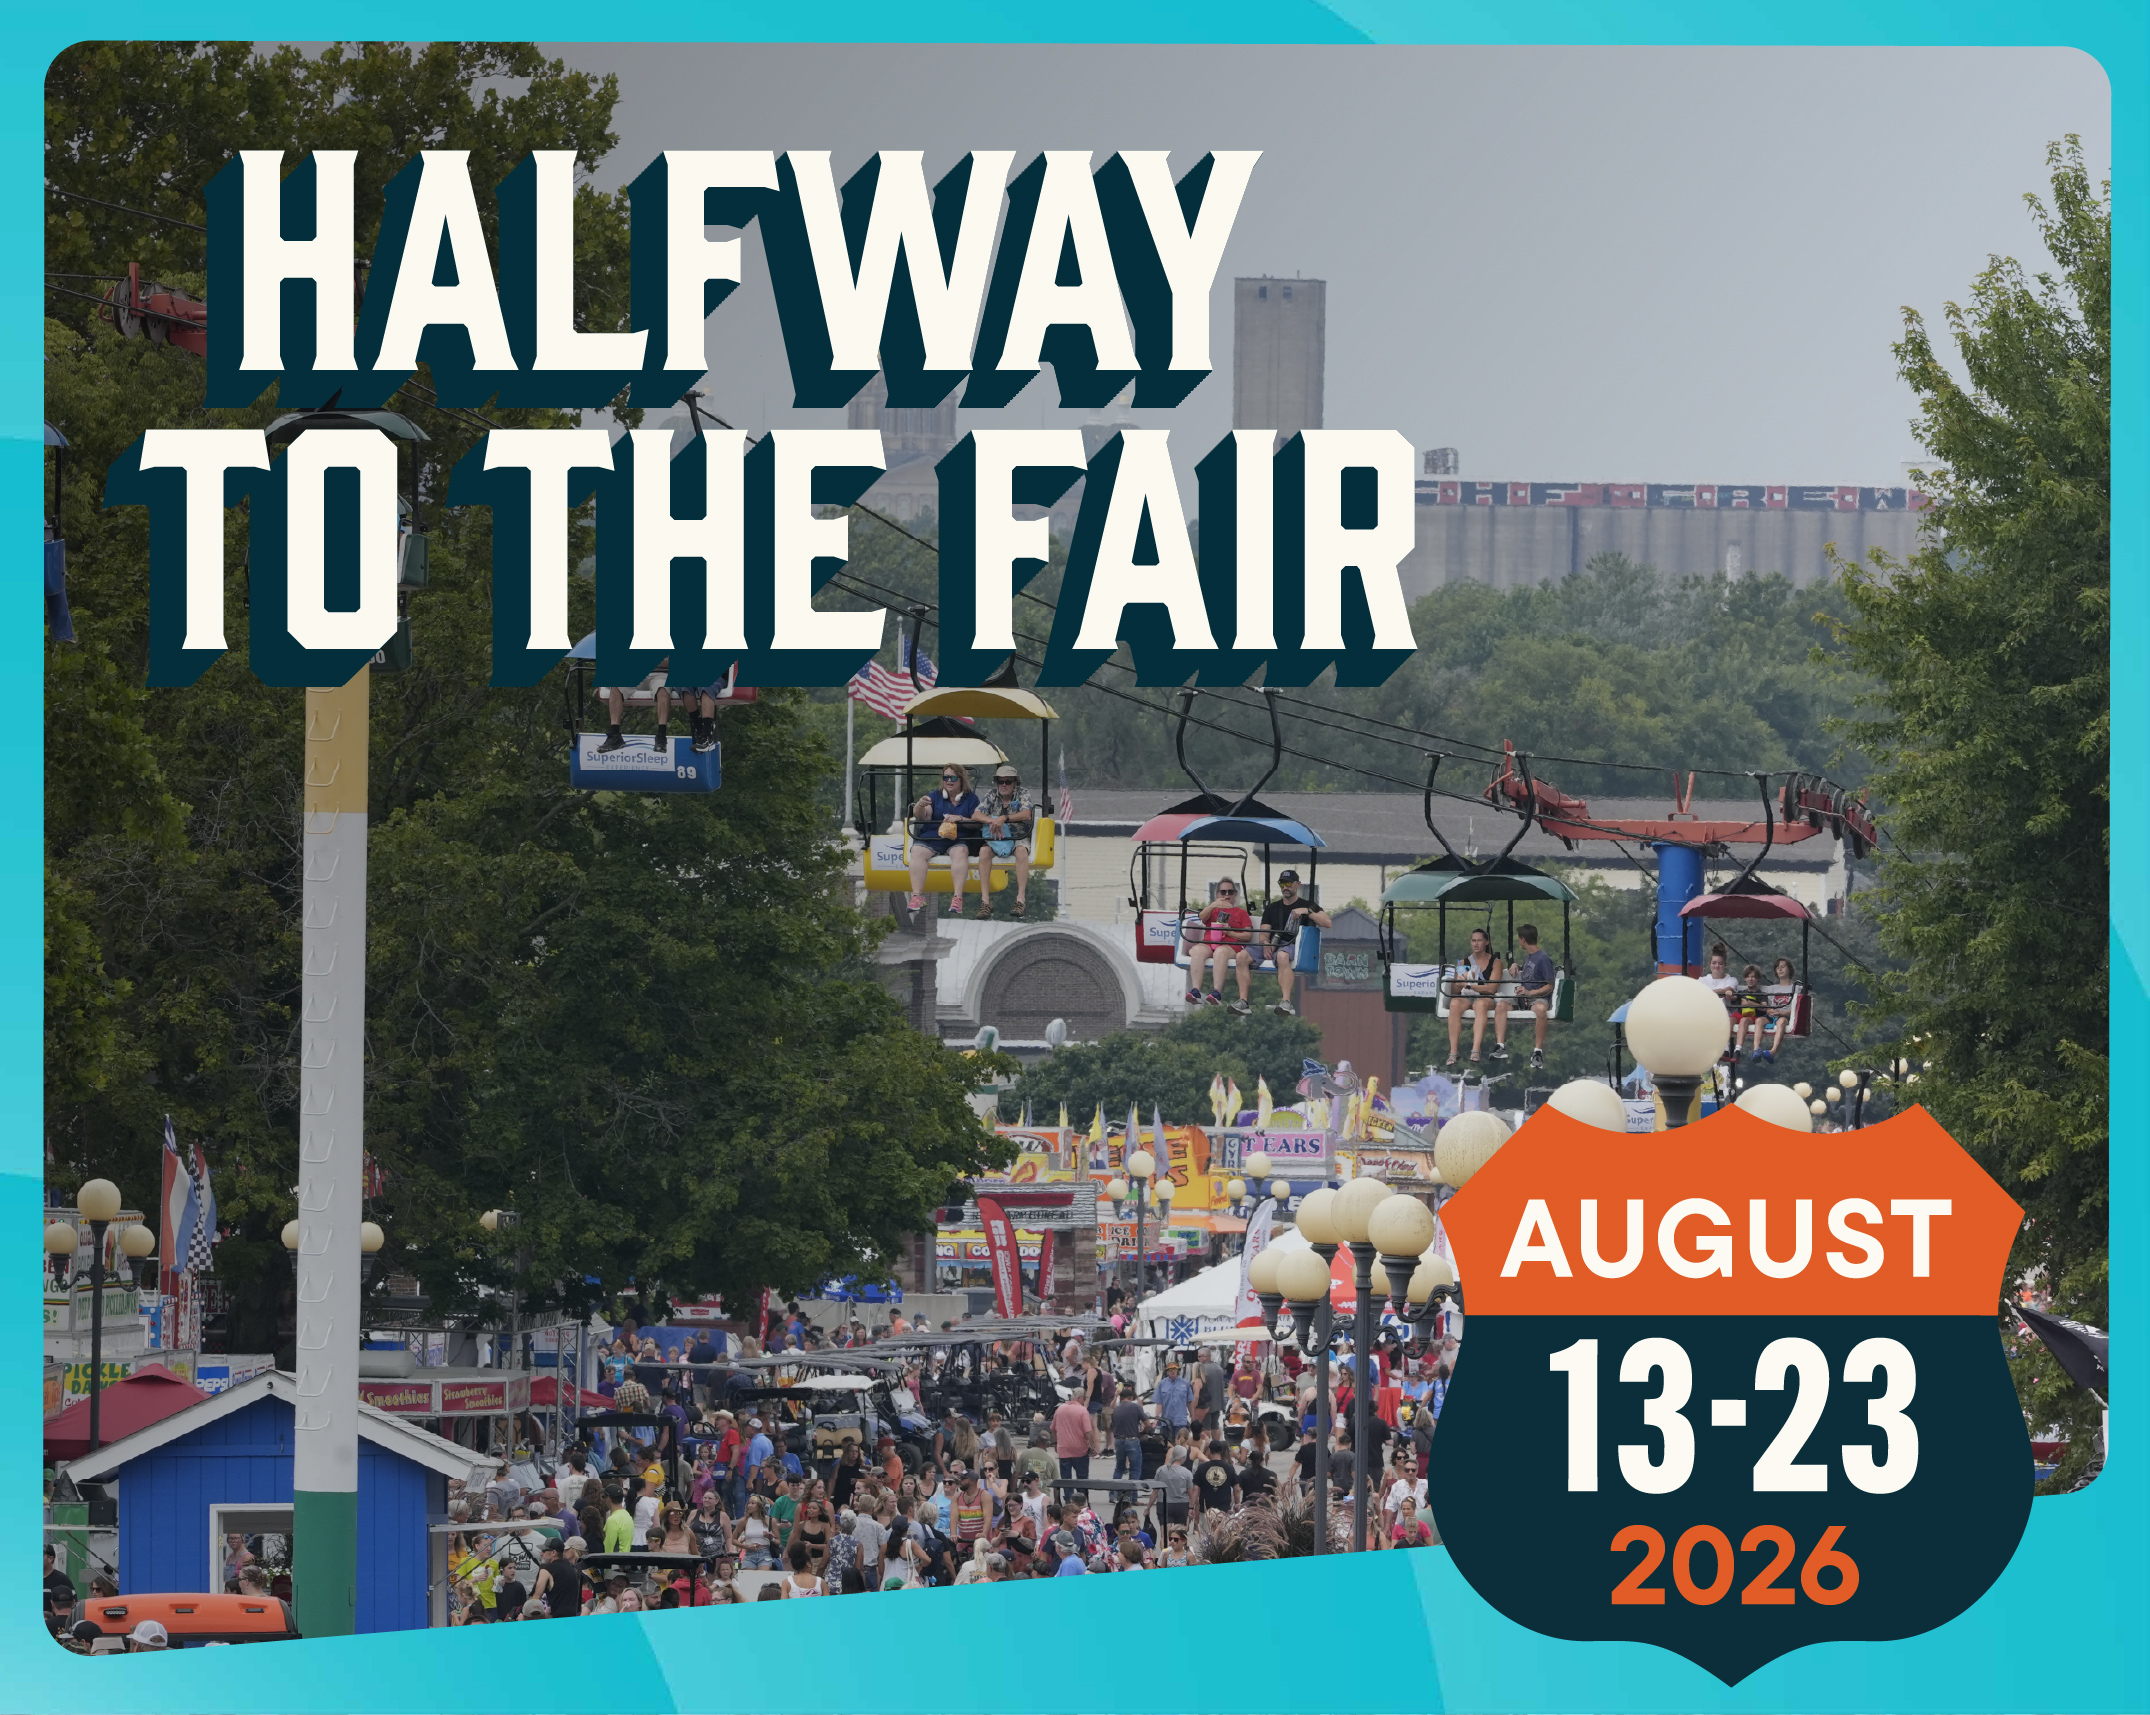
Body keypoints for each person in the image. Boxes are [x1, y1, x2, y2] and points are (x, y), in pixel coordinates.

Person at [906, 765, 980, 915]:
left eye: (953, 778)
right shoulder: (935, 796)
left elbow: (977, 822)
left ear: (961, 780)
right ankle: (917, 896)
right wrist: (920, 805)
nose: (949, 781)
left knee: (961, 852)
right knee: (917, 851)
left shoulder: (971, 799)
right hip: (934, 836)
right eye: (946, 777)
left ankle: (957, 897)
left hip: (958, 838)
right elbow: (922, 816)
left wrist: (960, 818)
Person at [1261, 869, 1331, 1015]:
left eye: (1288, 883)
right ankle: (1241, 1000)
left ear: (1297, 884)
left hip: (1293, 946)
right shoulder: (1272, 908)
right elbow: (1263, 933)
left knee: (1282, 956)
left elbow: (1327, 922)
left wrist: (1307, 912)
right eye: (1281, 883)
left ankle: (1286, 1001)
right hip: (1275, 944)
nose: (1284, 887)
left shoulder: (1308, 905)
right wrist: (1266, 943)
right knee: (1243, 956)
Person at [1185, 879, 1257, 1014]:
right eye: (1223, 892)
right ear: (1217, 894)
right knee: (1196, 950)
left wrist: (1229, 931)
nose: (1227, 895)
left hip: (1230, 946)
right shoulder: (1212, 910)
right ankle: (1195, 991)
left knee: (1221, 952)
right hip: (1209, 943)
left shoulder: (1241, 913)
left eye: (1230, 892)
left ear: (1235, 894)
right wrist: (1214, 905)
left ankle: (1216, 992)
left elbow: (1248, 935)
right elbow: (1201, 917)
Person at [975, 763, 1037, 916]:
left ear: (1015, 783)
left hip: (1018, 836)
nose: (1003, 785)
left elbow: (1026, 814)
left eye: (1008, 781)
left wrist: (1005, 818)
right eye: (1000, 781)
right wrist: (992, 821)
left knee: (1022, 851)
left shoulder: (1023, 794)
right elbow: (976, 814)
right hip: (997, 837)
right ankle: (985, 901)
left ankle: (1020, 899)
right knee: (983, 852)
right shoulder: (992, 794)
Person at [1500, 921, 1559, 1069]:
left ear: (1523, 940)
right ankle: (1500, 1045)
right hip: (1522, 997)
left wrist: (1530, 993)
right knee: (1501, 1005)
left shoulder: (1543, 958)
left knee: (1540, 1010)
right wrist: (1515, 965)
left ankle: (1537, 1051)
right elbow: (1527, 970)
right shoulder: (1529, 957)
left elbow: (1550, 984)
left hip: (1536, 997)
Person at [1445, 926, 1503, 1066]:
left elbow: (1491, 988)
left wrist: (1469, 985)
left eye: (1479, 941)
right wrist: (1459, 980)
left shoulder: (1496, 962)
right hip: (1466, 996)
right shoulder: (1464, 963)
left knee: (1480, 1005)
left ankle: (1475, 1049)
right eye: (1473, 941)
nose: (1476, 944)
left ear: (1486, 942)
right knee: (1454, 1004)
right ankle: (1453, 1051)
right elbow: (1454, 989)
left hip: (1485, 997)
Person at [1762, 956, 1799, 1059]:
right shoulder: (1772, 989)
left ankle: (1773, 1051)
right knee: (1759, 1021)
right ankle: (1757, 1049)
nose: (1780, 969)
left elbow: (1797, 1008)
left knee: (1781, 1021)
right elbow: (1766, 1005)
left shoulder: (1796, 988)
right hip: (1772, 1015)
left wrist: (1783, 1013)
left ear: (1789, 969)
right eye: (1777, 967)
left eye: (1783, 967)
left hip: (1786, 1016)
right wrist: (1769, 1011)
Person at [1051, 1389, 1092, 1483]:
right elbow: (1088, 1431)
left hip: (1063, 1449)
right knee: (1082, 1480)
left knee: (1066, 1479)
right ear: (1079, 1398)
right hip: (1080, 1449)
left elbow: (1053, 1429)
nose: (1084, 1400)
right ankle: (1082, 1496)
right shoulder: (1083, 1411)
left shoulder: (1060, 1409)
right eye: (1084, 1398)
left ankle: (1068, 1496)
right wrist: (1092, 1446)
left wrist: (1055, 1443)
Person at [1191, 1439, 1238, 1516]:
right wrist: (1237, 1504)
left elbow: (1196, 1488)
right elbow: (1237, 1488)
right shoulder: (1229, 1468)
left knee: (1206, 1528)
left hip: (1206, 1509)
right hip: (1224, 1509)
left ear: (1209, 1450)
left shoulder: (1202, 1468)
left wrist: (1191, 1507)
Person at [1734, 962, 1771, 1060]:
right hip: (1742, 1016)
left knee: (1744, 1020)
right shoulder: (1741, 993)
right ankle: (1733, 1049)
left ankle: (1742, 1049)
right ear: (1745, 978)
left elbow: (1764, 1007)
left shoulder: (1761, 994)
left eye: (1753, 977)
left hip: (1755, 1017)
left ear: (1758, 979)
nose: (1750, 979)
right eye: (1748, 977)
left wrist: (1751, 1004)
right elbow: (1734, 999)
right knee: (1737, 1019)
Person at [1109, 1389, 1146, 1482]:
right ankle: (1132, 1494)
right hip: (1132, 1440)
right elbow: (1148, 1423)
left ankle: (1114, 1493)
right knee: (1135, 1469)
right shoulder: (1136, 1407)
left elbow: (1112, 1426)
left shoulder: (1116, 1409)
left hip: (1119, 1440)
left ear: (1120, 1398)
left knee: (1119, 1468)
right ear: (1132, 1397)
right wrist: (1143, 1433)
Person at [1153, 1359, 1194, 1435]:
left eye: (1174, 1369)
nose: (1172, 1371)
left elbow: (1189, 1402)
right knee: (1167, 1443)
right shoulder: (1161, 1384)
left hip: (1180, 1420)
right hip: (1166, 1420)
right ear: (1167, 1371)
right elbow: (1159, 1403)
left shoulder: (1185, 1384)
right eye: (1170, 1370)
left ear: (1177, 1370)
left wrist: (1192, 1417)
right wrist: (1156, 1418)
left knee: (1180, 1442)